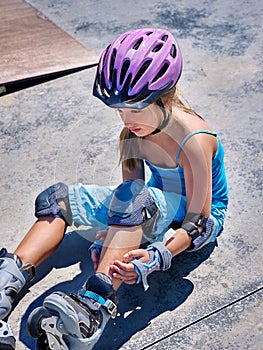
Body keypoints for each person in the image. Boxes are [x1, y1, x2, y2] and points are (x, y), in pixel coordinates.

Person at [0, 28, 228, 349]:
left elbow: (200, 223)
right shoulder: (133, 133)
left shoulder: (194, 140)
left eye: (134, 109)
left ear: (164, 99)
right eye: (119, 110)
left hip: (194, 218)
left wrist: (156, 256)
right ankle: (3, 289)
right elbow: (130, 191)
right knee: (56, 200)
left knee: (134, 201)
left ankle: (94, 307)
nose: (125, 119)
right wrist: (113, 232)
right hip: (156, 203)